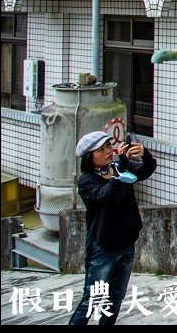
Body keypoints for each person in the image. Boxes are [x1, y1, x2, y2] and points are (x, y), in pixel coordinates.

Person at [68, 130, 157, 325]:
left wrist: (144, 154)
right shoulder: (86, 181)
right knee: (91, 300)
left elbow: (146, 170)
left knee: (115, 300)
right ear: (90, 157)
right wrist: (121, 172)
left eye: (108, 146)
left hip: (126, 245)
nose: (108, 151)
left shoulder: (118, 168)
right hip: (103, 249)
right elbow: (104, 195)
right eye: (101, 150)